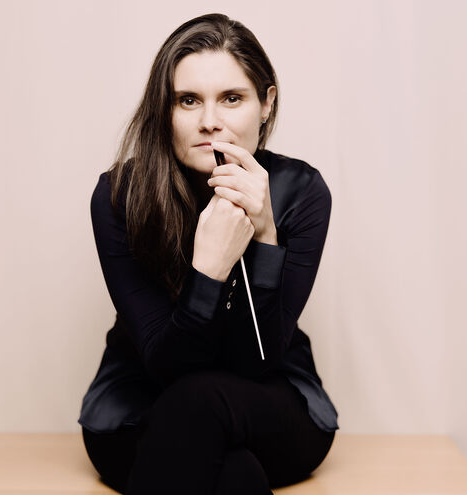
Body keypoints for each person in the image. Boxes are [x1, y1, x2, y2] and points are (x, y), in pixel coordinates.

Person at [78, 13, 338, 495]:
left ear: (266, 103)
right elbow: (166, 367)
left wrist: (263, 238)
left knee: (205, 404)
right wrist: (209, 269)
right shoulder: (119, 196)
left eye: (232, 98)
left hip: (265, 409)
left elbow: (256, 363)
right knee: (233, 472)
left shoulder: (302, 193)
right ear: (165, 109)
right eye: (188, 100)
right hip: (141, 410)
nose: (210, 122)